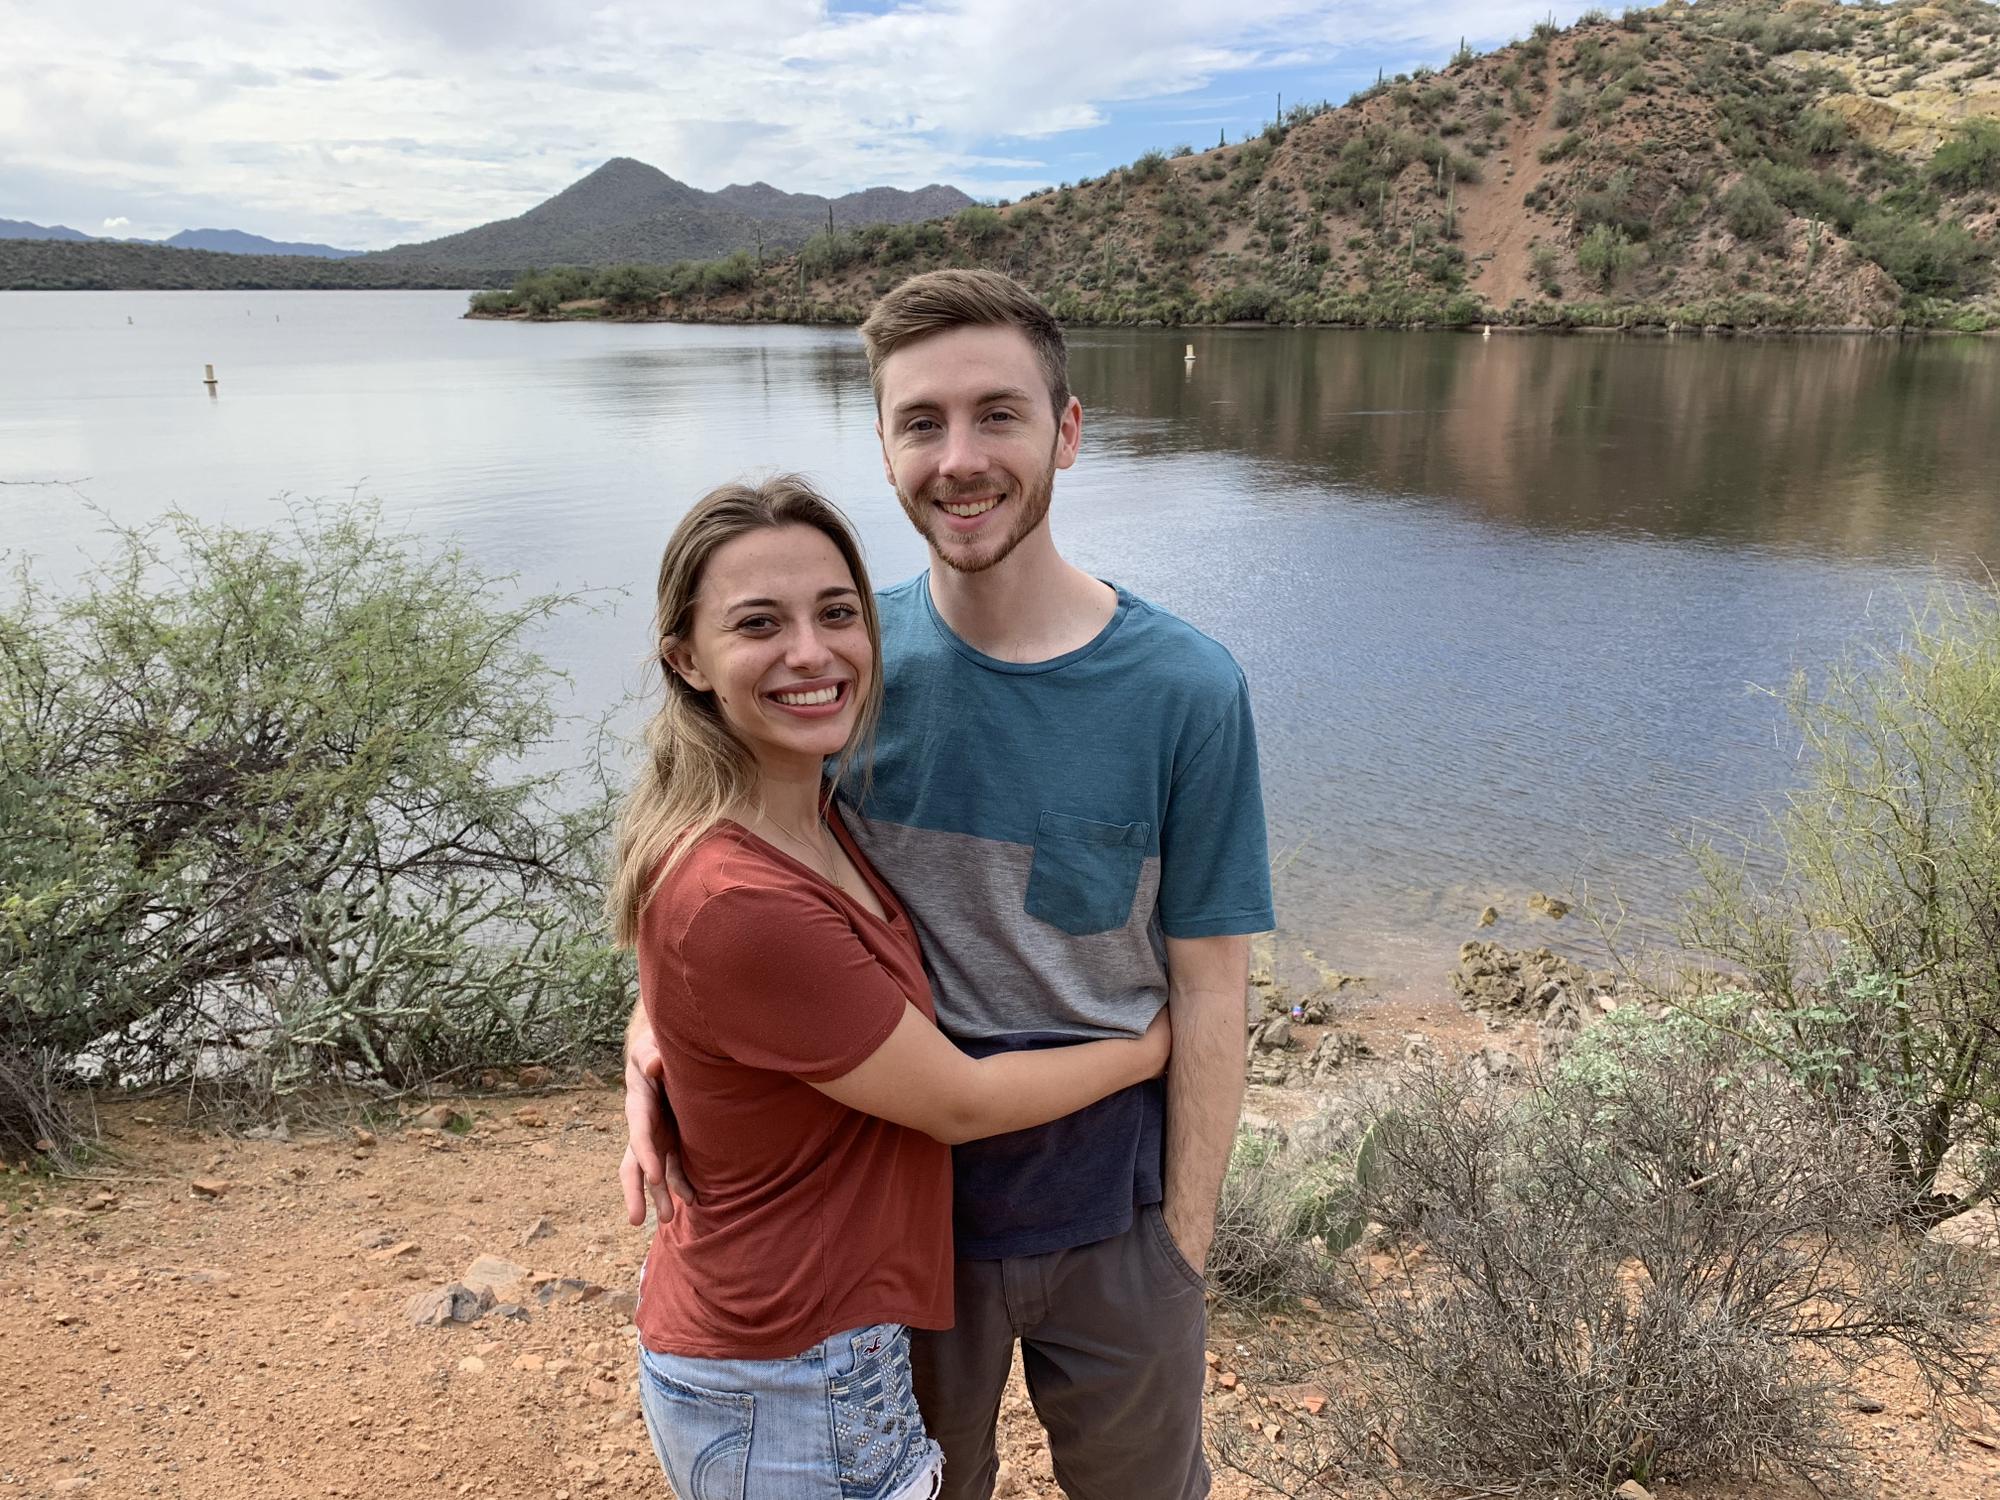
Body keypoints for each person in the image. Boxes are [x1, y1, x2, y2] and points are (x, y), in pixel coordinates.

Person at [622, 271, 1274, 1500]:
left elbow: (1211, 982)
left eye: (998, 416)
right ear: (881, 446)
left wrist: (1183, 1244)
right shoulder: (851, 674)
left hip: (1113, 1217)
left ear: (1066, 432)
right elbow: (728, 878)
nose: (959, 458)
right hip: (905, 1223)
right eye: (921, 421)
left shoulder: (1185, 691)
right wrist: (652, 1031)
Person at [611, 475, 1173, 1500]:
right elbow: (956, 1102)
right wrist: (1153, 1046)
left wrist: (652, 1033)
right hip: (785, 1369)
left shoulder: (806, 811)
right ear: (685, 659)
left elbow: (713, 983)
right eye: (758, 625)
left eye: (836, 614)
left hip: (805, 1345)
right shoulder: (740, 889)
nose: (811, 653)